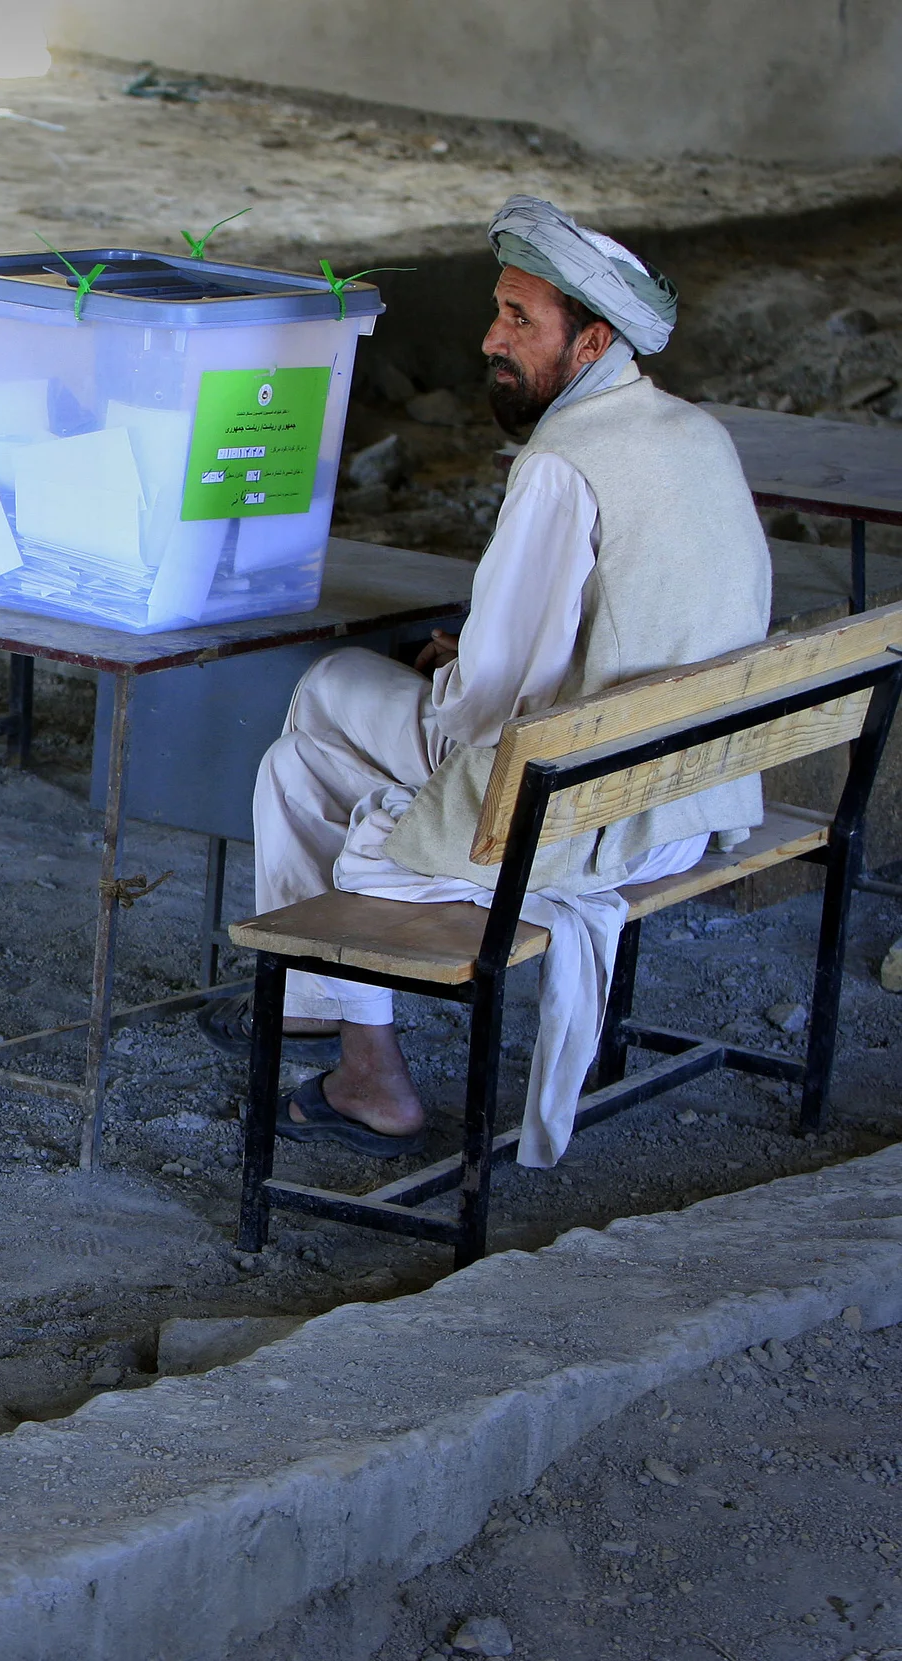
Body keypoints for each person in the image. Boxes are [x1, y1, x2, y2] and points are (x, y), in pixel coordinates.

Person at [238, 195, 770, 1169]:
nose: (491, 338)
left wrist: (458, 671)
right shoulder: (693, 432)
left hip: (594, 814)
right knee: (298, 763)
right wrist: (480, 657)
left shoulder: (561, 466)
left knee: (320, 703)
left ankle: (349, 1043)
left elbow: (486, 704)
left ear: (592, 337)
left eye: (519, 320)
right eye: (498, 312)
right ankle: (335, 1027)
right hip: (693, 789)